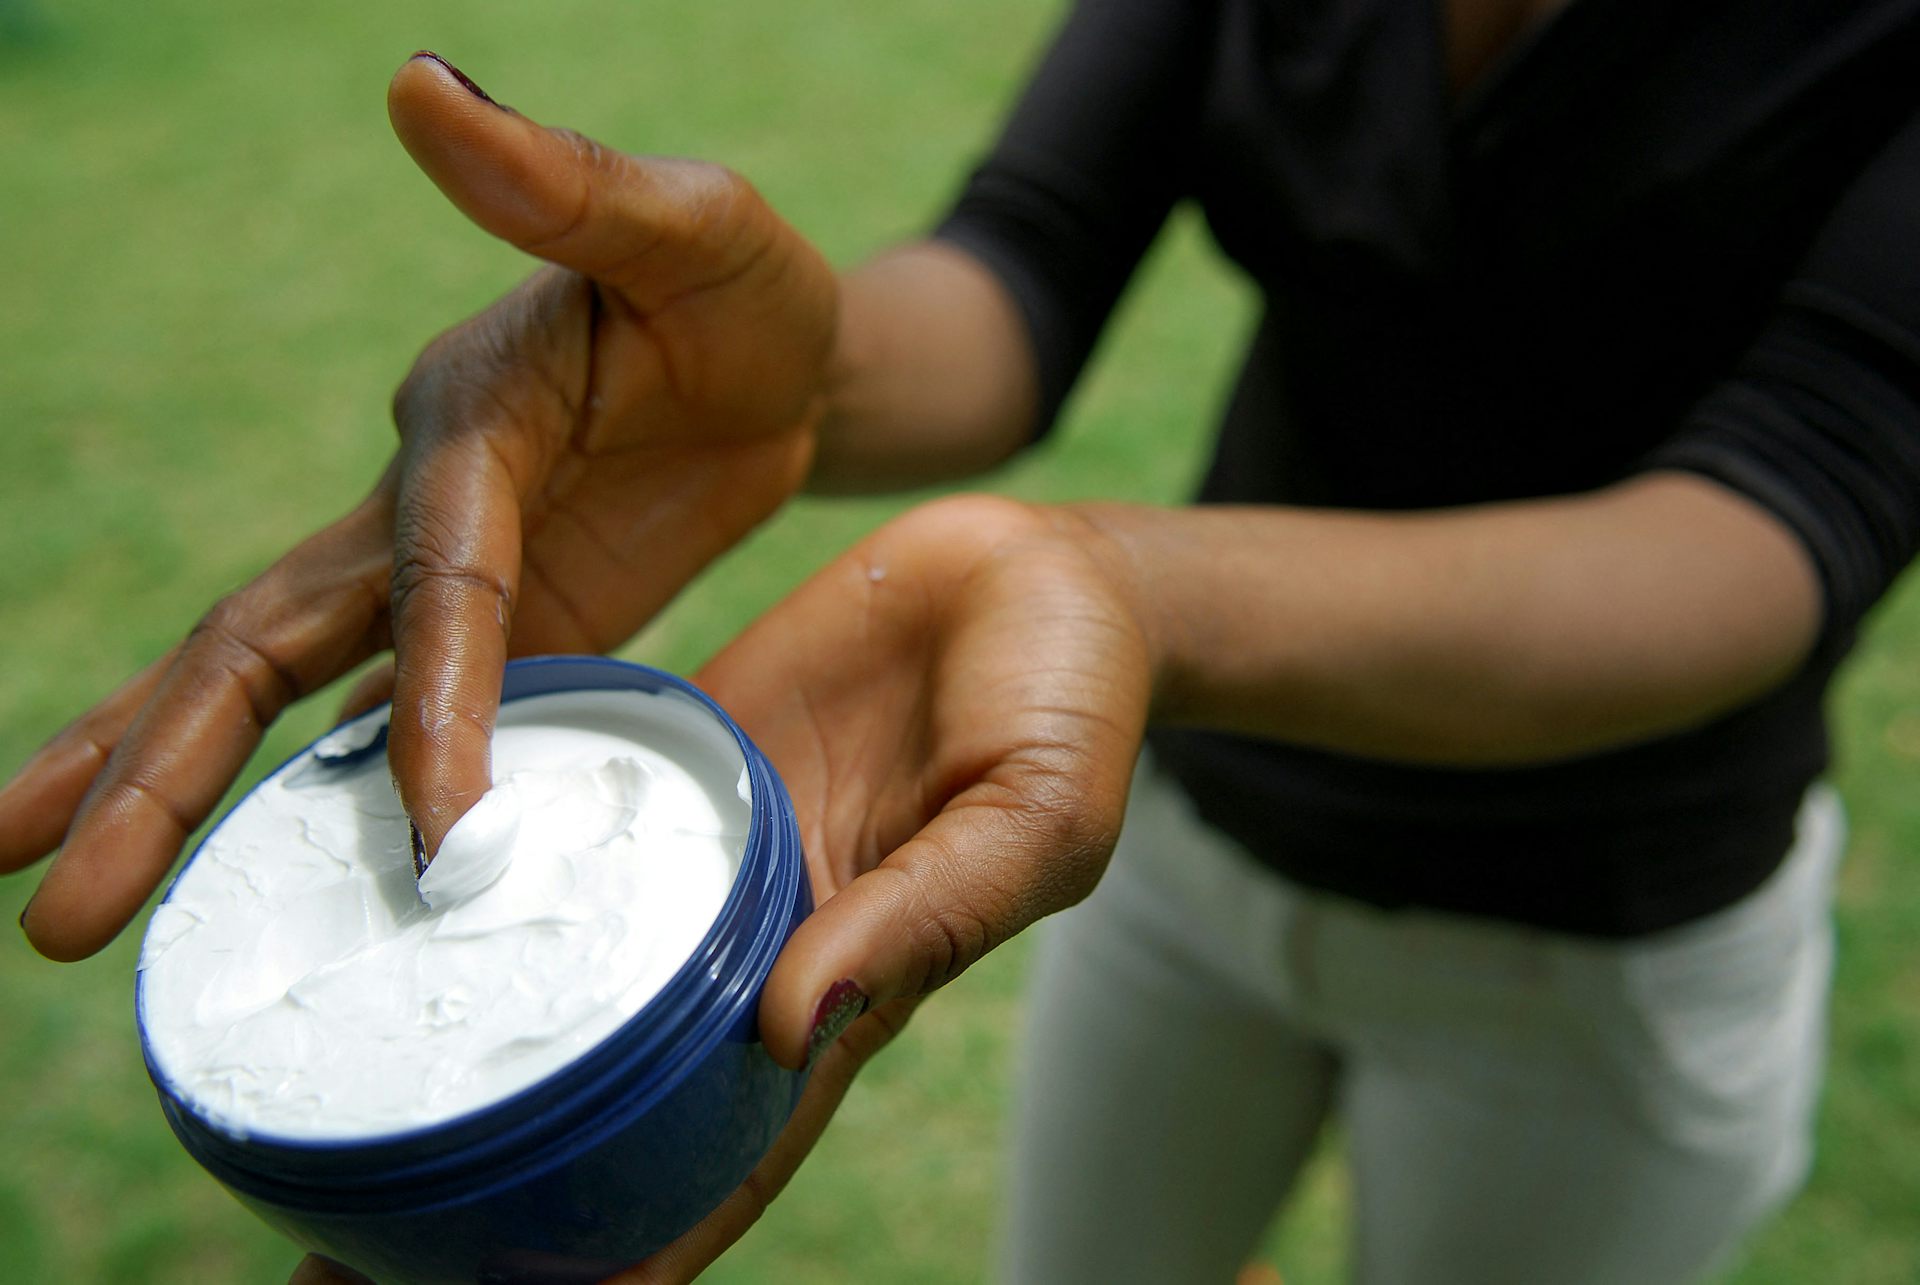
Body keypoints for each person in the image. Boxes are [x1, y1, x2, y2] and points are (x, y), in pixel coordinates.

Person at [6, 0, 1920, 1278]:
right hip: (1186, 847)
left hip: (1603, 942)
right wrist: (781, 378)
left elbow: (1772, 521)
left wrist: (1118, 588)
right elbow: (1023, 264)